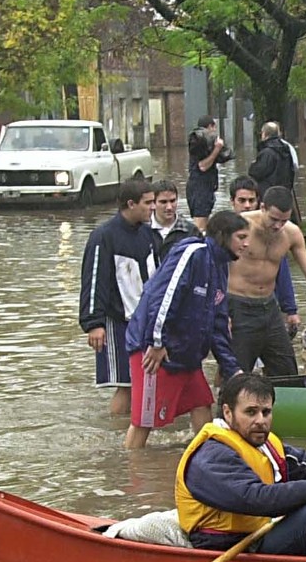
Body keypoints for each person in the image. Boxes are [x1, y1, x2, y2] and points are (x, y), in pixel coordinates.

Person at [177, 373, 306, 556]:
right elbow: (256, 499)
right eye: (251, 412)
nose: (260, 421)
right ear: (228, 413)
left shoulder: (262, 442)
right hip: (233, 544)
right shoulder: (211, 455)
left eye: (266, 412)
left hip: (261, 529)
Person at [123, 210, 249, 448]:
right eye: (241, 237)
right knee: (144, 420)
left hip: (186, 354)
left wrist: (232, 368)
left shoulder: (220, 266)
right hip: (154, 351)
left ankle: (206, 456)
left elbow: (218, 324)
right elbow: (163, 297)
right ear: (223, 236)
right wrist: (157, 342)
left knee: (201, 403)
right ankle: (133, 472)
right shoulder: (192, 253)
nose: (246, 244)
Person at [230, 186, 306, 377]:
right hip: (238, 306)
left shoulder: (291, 233)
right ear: (262, 208)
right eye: (274, 219)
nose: (278, 226)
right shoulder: (239, 227)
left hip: (270, 308)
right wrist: (219, 313)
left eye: (283, 220)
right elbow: (213, 269)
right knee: (236, 374)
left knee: (287, 372)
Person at [79, 179, 158, 417]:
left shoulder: (147, 235)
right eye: (148, 203)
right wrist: (94, 323)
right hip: (118, 322)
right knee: (126, 385)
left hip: (145, 321)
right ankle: (116, 436)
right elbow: (93, 281)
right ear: (131, 204)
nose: (153, 208)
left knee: (147, 382)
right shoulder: (103, 236)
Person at [231, 176, 300, 338]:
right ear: (232, 201)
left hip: (268, 306)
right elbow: (213, 275)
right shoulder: (227, 231)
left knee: (283, 360)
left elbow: (283, 275)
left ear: (259, 204)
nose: (247, 205)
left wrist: (291, 310)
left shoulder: (277, 233)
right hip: (237, 306)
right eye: (242, 200)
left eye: (251, 200)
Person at [186, 116, 233, 232]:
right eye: (213, 128)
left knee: (204, 223)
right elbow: (202, 166)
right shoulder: (199, 143)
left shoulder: (203, 146)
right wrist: (217, 149)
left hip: (203, 186)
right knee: (200, 225)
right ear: (211, 126)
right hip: (200, 187)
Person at [147, 178, 198, 263]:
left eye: (173, 201)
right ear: (153, 203)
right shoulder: (143, 230)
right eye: (163, 202)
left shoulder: (191, 231)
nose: (169, 207)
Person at [248, 121, 298, 202]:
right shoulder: (287, 150)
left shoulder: (267, 152)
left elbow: (256, 173)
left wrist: (253, 164)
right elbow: (294, 167)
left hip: (268, 194)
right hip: (284, 193)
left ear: (264, 134)